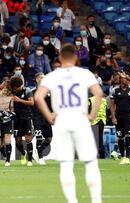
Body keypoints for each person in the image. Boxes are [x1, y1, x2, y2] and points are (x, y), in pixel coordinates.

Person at [34, 44, 103, 203]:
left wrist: (49, 116)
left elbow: (38, 97)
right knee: (90, 162)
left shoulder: (52, 76)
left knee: (66, 164)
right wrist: (92, 116)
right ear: (76, 57)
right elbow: (99, 94)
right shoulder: (84, 73)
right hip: (80, 118)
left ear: (60, 58)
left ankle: (72, 201)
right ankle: (96, 200)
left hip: (62, 120)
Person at [110, 77, 130, 164]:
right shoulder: (115, 90)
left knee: (128, 136)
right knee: (120, 137)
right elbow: (112, 104)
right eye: (124, 78)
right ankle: (122, 156)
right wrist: (113, 117)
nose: (126, 80)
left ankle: (128, 157)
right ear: (120, 80)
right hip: (118, 117)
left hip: (129, 116)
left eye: (127, 78)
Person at [9, 77, 35, 166]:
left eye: (16, 87)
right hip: (17, 119)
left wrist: (19, 100)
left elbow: (32, 103)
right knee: (18, 141)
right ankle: (23, 153)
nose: (15, 89)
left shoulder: (27, 91)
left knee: (28, 138)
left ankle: (30, 160)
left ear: (20, 85)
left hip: (27, 117)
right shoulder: (12, 90)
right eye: (14, 87)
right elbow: (0, 89)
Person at [0, 82, 14, 166]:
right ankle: (4, 155)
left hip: (7, 120)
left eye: (8, 90)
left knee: (7, 139)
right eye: (5, 89)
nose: (6, 91)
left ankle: (8, 160)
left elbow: (12, 109)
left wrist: (10, 114)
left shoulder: (11, 96)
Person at [32, 73, 52, 165]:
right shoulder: (32, 92)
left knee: (49, 138)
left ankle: (38, 151)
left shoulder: (48, 92)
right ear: (37, 79)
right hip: (36, 116)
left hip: (46, 117)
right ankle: (40, 157)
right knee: (39, 137)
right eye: (41, 77)